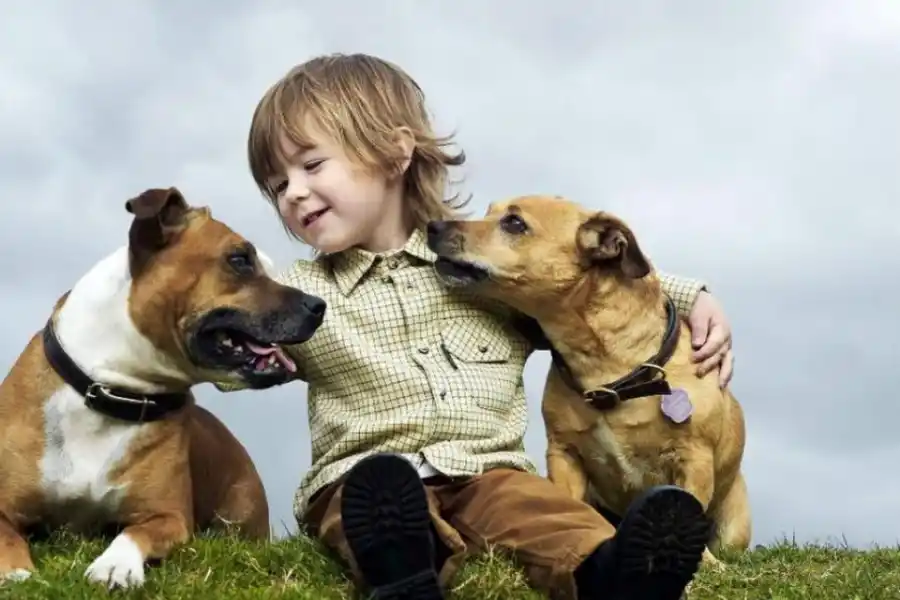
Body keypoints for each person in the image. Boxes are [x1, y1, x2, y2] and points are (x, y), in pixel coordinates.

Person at [228, 52, 736, 600]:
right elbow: (223, 333)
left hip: (488, 473)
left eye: (310, 165)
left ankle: (615, 571)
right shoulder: (299, 294)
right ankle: (404, 577)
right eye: (278, 185)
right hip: (367, 476)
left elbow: (585, 292)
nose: (294, 193)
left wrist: (692, 295)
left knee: (547, 513)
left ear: (395, 154)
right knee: (371, 508)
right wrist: (240, 354)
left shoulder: (487, 276)